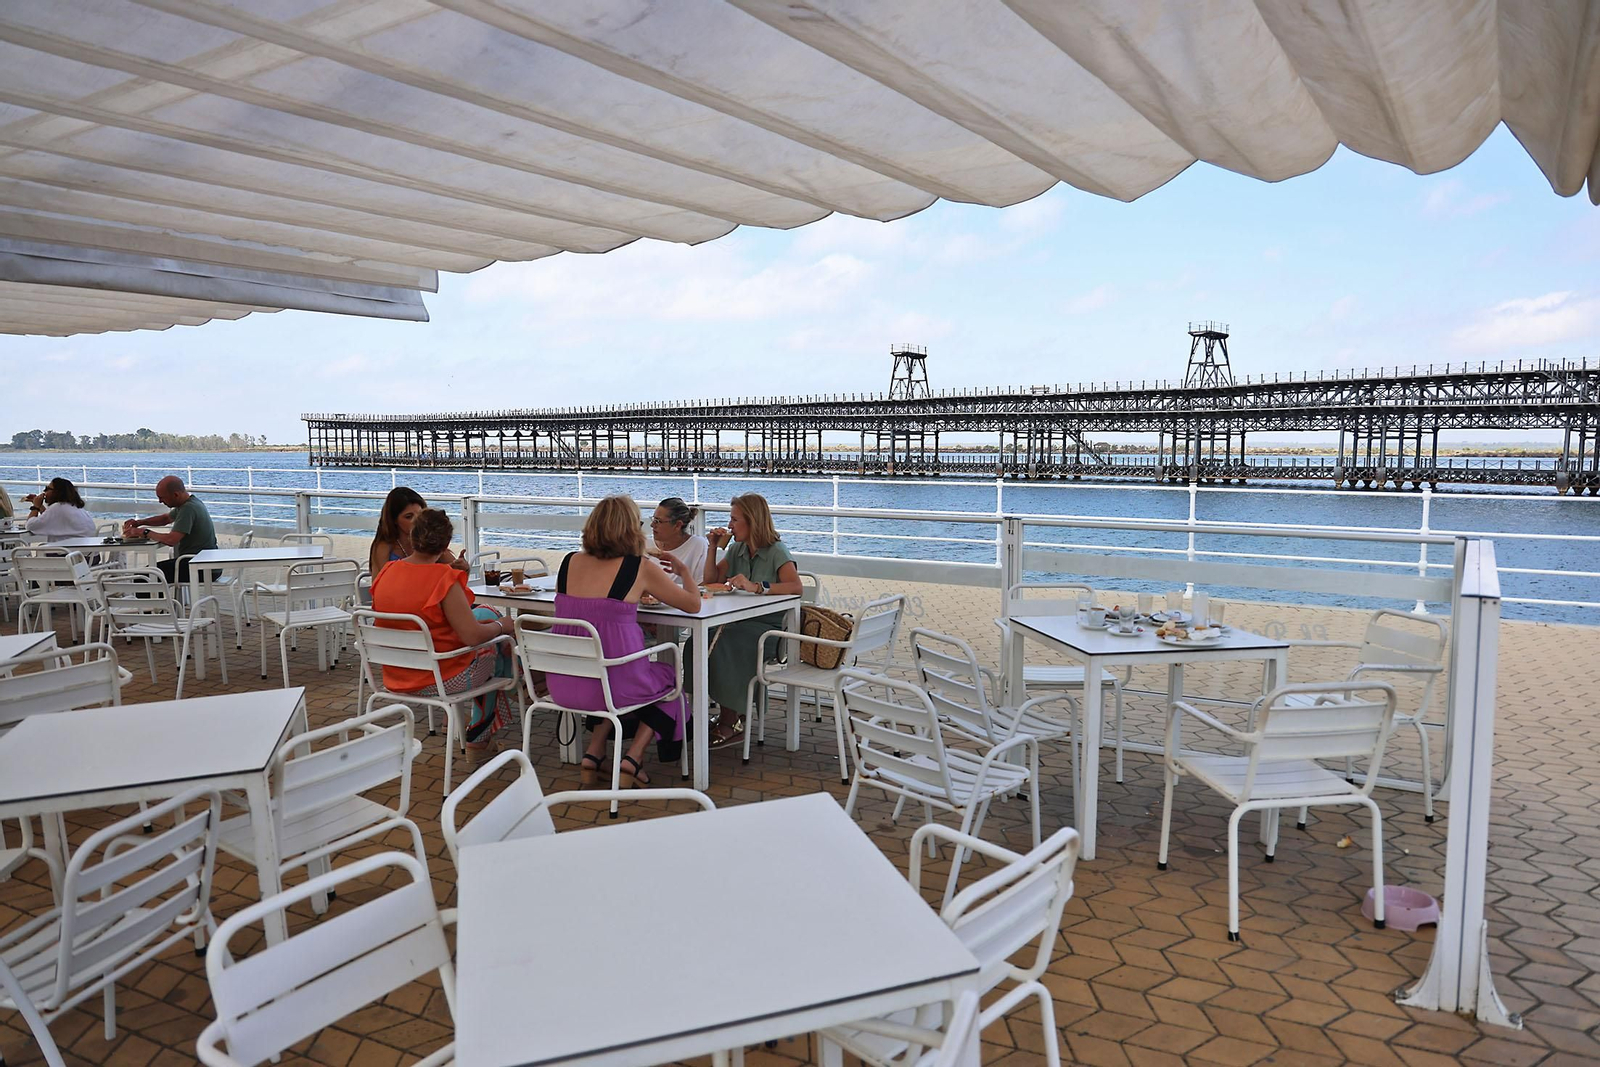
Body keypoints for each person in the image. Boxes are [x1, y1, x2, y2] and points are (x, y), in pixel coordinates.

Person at [549, 494, 701, 787]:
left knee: (610, 672)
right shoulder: (637, 566)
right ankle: (632, 758)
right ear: (632, 529)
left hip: (564, 682)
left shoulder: (569, 563)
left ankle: (594, 754)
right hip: (612, 687)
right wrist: (683, 571)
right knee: (670, 682)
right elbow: (693, 605)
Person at [369, 508, 517, 749]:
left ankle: (496, 711)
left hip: (396, 675)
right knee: (496, 648)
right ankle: (481, 732)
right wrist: (502, 626)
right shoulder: (443, 577)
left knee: (486, 615)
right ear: (446, 543)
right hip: (441, 679)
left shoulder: (387, 572)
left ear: (413, 537)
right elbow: (472, 636)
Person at [695, 493, 803, 749]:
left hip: (771, 629)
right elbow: (710, 581)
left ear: (752, 521)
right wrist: (712, 547)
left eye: (734, 520)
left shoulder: (776, 551)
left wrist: (757, 587)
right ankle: (723, 713)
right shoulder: (737, 549)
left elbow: (796, 587)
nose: (730, 525)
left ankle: (730, 721)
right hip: (740, 622)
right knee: (700, 642)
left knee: (727, 643)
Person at [124, 475, 218, 586]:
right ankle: (161, 597)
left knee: (145, 576)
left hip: (199, 566)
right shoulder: (190, 503)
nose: (160, 501)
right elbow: (166, 519)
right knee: (151, 573)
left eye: (162, 497)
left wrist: (144, 532)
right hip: (206, 563)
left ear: (175, 495)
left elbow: (171, 540)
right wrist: (139, 522)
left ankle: (157, 598)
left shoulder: (188, 509)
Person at [369, 487, 470, 577]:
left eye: (419, 515)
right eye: (409, 517)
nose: (415, 521)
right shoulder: (384, 546)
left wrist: (464, 568)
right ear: (394, 520)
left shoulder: (428, 542)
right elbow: (380, 584)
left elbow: (458, 574)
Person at [648, 496, 707, 591]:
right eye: (654, 520)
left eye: (658, 521)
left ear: (677, 525)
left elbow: (702, 586)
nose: (652, 525)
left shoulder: (697, 545)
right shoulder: (645, 545)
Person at [22, 478, 96, 542]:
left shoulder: (58, 507)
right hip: (86, 550)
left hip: (69, 551)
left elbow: (30, 525)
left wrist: (35, 507)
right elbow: (50, 519)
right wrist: (40, 506)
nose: (44, 492)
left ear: (57, 492)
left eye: (47, 489)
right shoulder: (74, 506)